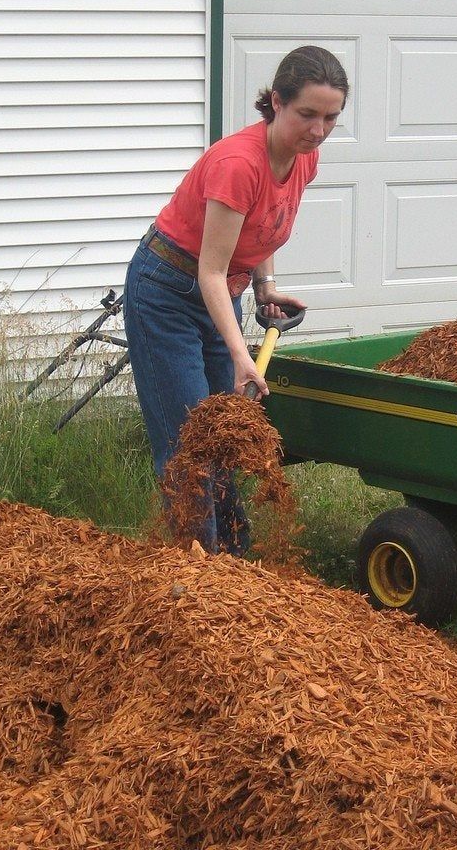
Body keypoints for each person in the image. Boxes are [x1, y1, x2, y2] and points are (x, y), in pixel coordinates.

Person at [124, 46, 349, 555]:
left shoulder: (303, 157)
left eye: (331, 117)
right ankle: (194, 575)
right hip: (167, 291)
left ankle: (234, 563)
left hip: (222, 291)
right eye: (307, 114)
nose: (318, 130)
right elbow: (210, 268)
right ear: (277, 102)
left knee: (222, 433)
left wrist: (265, 285)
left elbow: (262, 227)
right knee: (189, 441)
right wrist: (239, 353)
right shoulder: (238, 164)